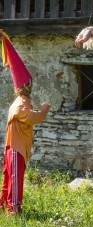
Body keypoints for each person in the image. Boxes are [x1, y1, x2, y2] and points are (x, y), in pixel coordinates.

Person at [0, 30, 50, 216]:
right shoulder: (21, 103)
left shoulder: (22, 102)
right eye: (28, 85)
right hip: (15, 149)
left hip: (14, 148)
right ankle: (13, 210)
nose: (30, 88)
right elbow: (32, 118)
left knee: (10, 179)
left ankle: (5, 207)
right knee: (14, 179)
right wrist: (44, 109)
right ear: (25, 88)